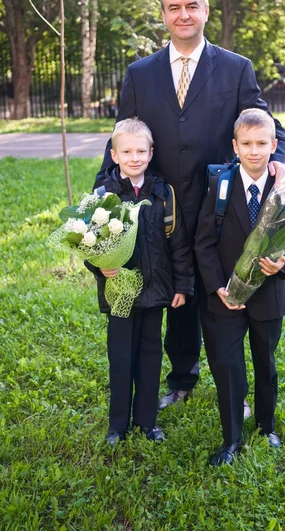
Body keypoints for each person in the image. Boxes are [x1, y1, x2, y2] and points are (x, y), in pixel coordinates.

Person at [94, 0, 285, 411]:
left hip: (218, 214)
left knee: (220, 305)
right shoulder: (139, 74)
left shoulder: (236, 68)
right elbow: (123, 138)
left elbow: (268, 127)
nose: (183, 14)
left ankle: (233, 391)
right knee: (179, 302)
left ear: (205, 11)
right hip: (160, 214)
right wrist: (101, 196)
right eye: (174, 7)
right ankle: (181, 379)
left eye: (192, 6)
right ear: (164, 14)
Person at [195, 109, 285, 465]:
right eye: (246, 144)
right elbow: (203, 243)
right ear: (235, 146)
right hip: (227, 297)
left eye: (262, 143)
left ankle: (266, 425)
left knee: (265, 363)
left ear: (275, 145)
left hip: (268, 297)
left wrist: (283, 264)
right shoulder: (221, 185)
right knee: (228, 366)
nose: (254, 151)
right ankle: (231, 440)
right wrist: (217, 288)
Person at [86, 118, 194, 446]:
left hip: (155, 290)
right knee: (121, 358)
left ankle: (147, 421)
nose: (135, 157)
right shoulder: (103, 195)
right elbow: (88, 242)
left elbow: (178, 243)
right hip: (120, 293)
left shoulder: (164, 193)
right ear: (114, 155)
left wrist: (182, 286)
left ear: (151, 153)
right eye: (127, 151)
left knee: (150, 357)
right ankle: (117, 425)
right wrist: (98, 267)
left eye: (141, 151)